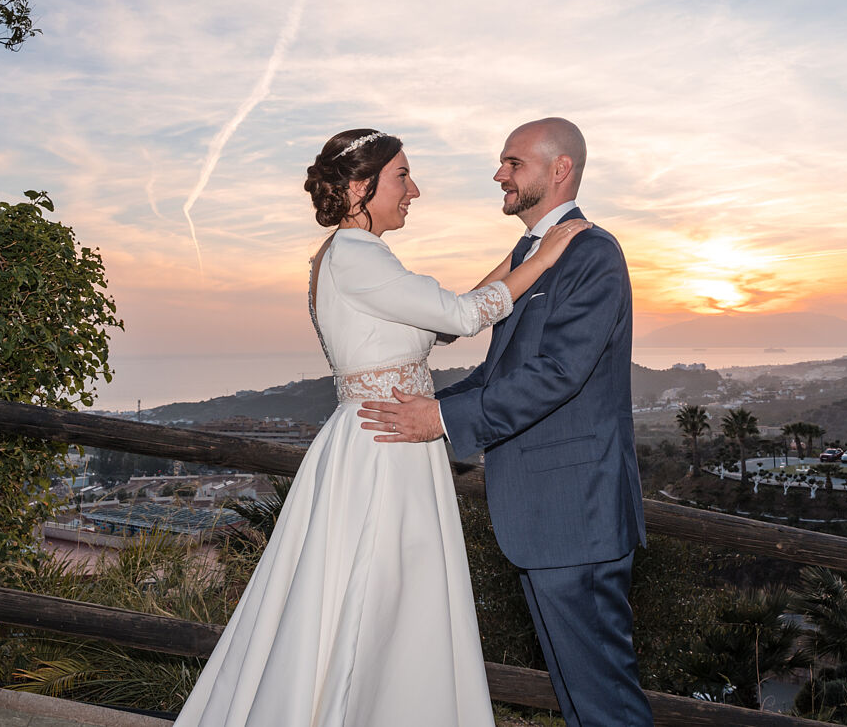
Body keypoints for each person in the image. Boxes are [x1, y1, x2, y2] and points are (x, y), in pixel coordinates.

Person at [173, 127, 590, 727]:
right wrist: (547, 256)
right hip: (382, 446)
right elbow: (465, 315)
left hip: (388, 438)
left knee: (386, 595)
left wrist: (525, 251)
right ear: (359, 187)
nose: (414, 190)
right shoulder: (356, 254)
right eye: (402, 177)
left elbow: (447, 317)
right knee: (376, 595)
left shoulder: (353, 257)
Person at [358, 118, 651, 727]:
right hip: (544, 517)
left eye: (512, 163)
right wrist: (423, 405)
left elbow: (557, 374)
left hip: (578, 516)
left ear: (559, 170)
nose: (499, 174)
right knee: (580, 701)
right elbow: (498, 372)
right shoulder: (532, 254)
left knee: (605, 703)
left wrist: (438, 418)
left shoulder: (592, 254)